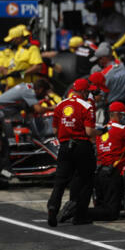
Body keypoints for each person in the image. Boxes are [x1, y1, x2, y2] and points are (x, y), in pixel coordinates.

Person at [47, 78, 99, 226]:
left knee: (60, 181)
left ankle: (52, 207)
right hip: (82, 145)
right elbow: (89, 132)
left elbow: (55, 130)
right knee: (86, 180)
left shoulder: (60, 105)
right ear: (83, 91)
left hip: (64, 146)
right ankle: (80, 215)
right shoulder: (87, 106)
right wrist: (100, 132)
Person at [93, 42, 125, 129]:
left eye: (98, 59)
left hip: (114, 110)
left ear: (103, 58)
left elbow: (99, 97)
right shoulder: (120, 64)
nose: (98, 62)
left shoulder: (104, 75)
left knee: (107, 134)